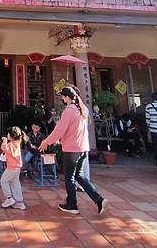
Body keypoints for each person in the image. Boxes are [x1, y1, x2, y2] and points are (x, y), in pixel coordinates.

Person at [40, 87, 107, 215]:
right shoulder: (81, 110)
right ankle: (99, 200)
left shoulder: (69, 111)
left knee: (69, 177)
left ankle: (72, 204)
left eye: (63, 96)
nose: (62, 99)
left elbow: (60, 129)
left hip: (72, 149)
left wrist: (46, 141)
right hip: (82, 148)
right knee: (80, 176)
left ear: (67, 97)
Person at [0, 126, 27, 210]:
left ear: (11, 136)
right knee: (15, 184)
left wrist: (4, 141)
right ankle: (20, 202)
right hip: (17, 168)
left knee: (3, 180)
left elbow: (4, 149)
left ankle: (9, 198)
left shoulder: (10, 144)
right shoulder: (17, 144)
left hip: (11, 168)